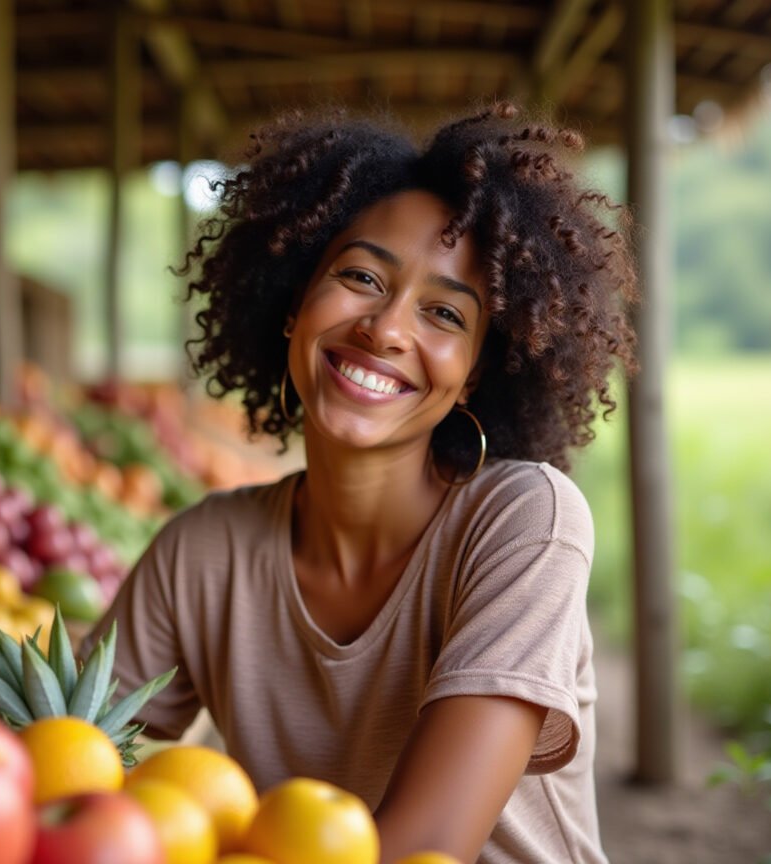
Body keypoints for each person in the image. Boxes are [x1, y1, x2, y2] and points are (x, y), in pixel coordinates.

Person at [90, 103, 638, 863]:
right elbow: (68, 770)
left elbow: (427, 847)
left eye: (444, 313)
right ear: (293, 305)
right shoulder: (202, 553)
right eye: (359, 276)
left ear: (476, 371)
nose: (385, 329)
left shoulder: (524, 521)